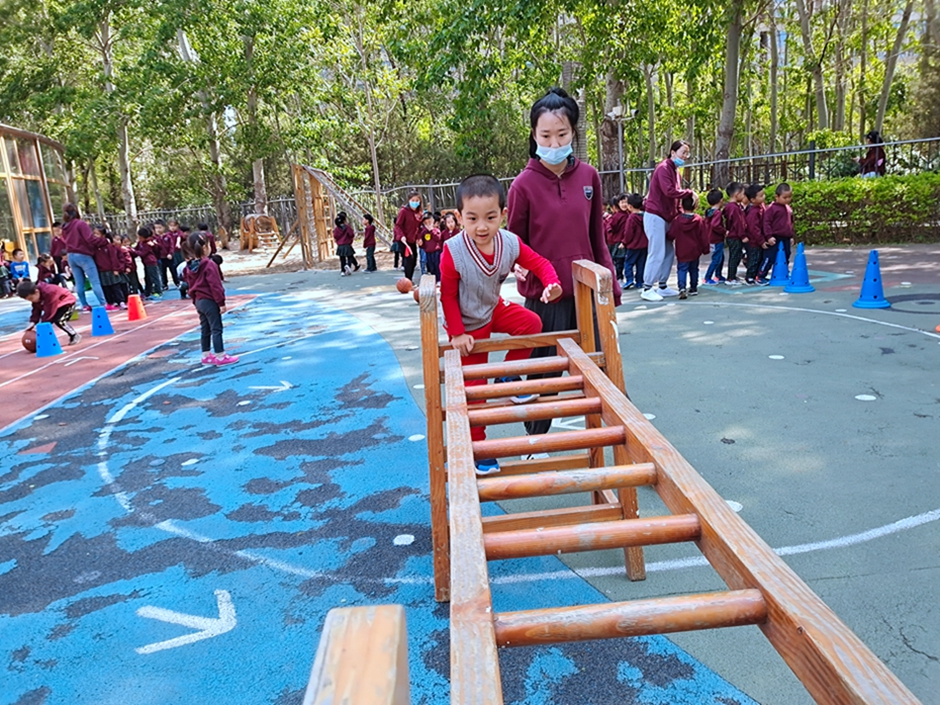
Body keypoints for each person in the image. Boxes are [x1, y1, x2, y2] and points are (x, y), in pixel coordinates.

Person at [506, 87, 620, 436]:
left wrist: (611, 286)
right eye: (545, 136)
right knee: (543, 379)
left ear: (573, 133)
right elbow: (515, 244)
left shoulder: (589, 177)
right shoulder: (522, 185)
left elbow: (597, 237)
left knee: (606, 373)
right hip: (546, 299)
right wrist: (519, 268)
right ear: (533, 135)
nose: (554, 143)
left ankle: (623, 443)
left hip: (588, 295)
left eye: (562, 134)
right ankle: (533, 442)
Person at [442, 175, 562, 474]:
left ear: (503, 215)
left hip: (492, 308)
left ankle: (507, 376)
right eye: (472, 218)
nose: (482, 226)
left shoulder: (509, 242)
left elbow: (540, 263)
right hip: (467, 322)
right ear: (459, 217)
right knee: (475, 391)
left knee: (531, 323)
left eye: (490, 217)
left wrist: (552, 283)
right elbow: (448, 295)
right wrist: (457, 333)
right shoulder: (453, 251)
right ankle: (480, 451)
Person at [639, 140, 695, 301]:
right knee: (656, 251)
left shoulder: (675, 170)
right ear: (673, 152)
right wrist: (690, 193)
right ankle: (647, 287)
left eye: (687, 153)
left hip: (667, 217)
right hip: (655, 215)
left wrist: (679, 213)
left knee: (669, 252)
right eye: (683, 152)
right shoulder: (663, 168)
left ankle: (662, 286)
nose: (685, 156)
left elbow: (674, 197)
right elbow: (669, 191)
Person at [181, 232, 238, 365]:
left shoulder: (189, 266)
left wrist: (195, 300)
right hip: (209, 301)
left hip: (199, 301)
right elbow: (215, 285)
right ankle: (220, 356)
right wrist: (221, 302)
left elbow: (189, 283)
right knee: (216, 328)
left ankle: (206, 355)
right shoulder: (209, 264)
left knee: (205, 329)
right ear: (205, 247)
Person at [61, 203, 109, 312]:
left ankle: (84, 304)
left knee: (79, 282)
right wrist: (104, 241)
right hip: (83, 255)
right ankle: (103, 303)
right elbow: (90, 239)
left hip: (71, 255)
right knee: (94, 281)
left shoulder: (65, 227)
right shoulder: (80, 224)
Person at [18, 279, 81, 346]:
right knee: (49, 321)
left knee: (59, 321)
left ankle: (74, 335)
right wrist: (33, 322)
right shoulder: (36, 296)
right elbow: (36, 309)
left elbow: (50, 312)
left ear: (36, 291)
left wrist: (41, 326)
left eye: (31, 298)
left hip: (67, 302)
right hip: (56, 305)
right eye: (28, 300)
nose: (31, 301)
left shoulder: (50, 292)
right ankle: (45, 341)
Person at [670, 194, 709, 299]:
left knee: (682, 269)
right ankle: (693, 288)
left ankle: (682, 288)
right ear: (695, 206)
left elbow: (672, 234)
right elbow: (703, 236)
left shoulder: (677, 220)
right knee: (694, 269)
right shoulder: (698, 220)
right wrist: (705, 248)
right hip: (695, 250)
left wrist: (668, 237)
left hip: (682, 250)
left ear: (682, 206)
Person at [92, 225, 123, 310]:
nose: (95, 236)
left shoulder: (109, 246)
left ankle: (121, 301)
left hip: (110, 269)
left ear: (103, 235)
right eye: (94, 234)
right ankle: (110, 302)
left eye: (97, 234)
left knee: (115, 286)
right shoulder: (94, 247)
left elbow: (113, 258)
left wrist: (116, 268)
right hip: (101, 270)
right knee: (106, 287)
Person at [743, 184, 768, 286]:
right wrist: (761, 241)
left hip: (758, 239)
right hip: (754, 241)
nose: (763, 197)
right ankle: (750, 276)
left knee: (759, 257)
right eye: (761, 196)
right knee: (754, 259)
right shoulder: (753, 212)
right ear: (753, 199)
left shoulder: (761, 206)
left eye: (763, 194)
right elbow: (754, 229)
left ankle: (757, 275)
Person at [622, 193, 648, 290]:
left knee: (628, 263)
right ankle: (639, 281)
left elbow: (628, 233)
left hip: (633, 246)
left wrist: (624, 242)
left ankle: (629, 279)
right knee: (641, 264)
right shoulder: (645, 216)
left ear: (630, 206)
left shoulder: (631, 218)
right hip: (644, 245)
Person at [394, 191, 423, 276]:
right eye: (413, 200)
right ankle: (408, 279)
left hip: (412, 240)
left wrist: (419, 237)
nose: (415, 202)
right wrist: (401, 236)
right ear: (409, 200)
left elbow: (419, 227)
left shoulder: (419, 212)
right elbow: (398, 225)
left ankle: (409, 279)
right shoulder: (404, 211)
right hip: (404, 240)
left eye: (417, 200)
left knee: (414, 260)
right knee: (408, 260)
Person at [764, 183, 794, 264]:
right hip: (775, 237)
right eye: (785, 197)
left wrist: (791, 236)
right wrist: (769, 236)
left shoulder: (788, 208)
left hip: (786, 237)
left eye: (789, 197)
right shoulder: (772, 208)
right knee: (770, 257)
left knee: (786, 255)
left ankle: (783, 270)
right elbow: (766, 223)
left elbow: (790, 223)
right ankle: (761, 271)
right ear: (777, 196)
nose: (787, 199)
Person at [723, 182, 746, 286]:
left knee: (736, 256)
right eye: (743, 194)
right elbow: (738, 223)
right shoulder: (734, 208)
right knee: (734, 257)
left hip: (732, 236)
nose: (744, 196)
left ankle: (732, 276)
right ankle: (731, 278)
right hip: (735, 236)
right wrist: (743, 235)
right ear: (737, 194)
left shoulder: (729, 206)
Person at [703, 189, 727, 285]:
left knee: (720, 257)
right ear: (721, 200)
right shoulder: (717, 213)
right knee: (716, 259)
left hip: (711, 238)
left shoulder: (709, 212)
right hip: (716, 239)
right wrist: (724, 231)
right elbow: (715, 225)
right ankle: (707, 277)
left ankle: (718, 275)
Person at [133, 227, 163, 300]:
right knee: (147, 278)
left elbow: (142, 253)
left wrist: (132, 251)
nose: (139, 239)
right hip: (145, 263)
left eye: (140, 237)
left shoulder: (148, 243)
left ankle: (158, 291)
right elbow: (136, 249)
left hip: (151, 262)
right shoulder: (140, 243)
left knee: (154, 277)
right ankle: (147, 292)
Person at [605, 194, 628, 284]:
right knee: (619, 260)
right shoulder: (619, 216)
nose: (624, 204)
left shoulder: (624, 214)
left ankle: (618, 277)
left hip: (618, 240)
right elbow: (611, 226)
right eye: (622, 202)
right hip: (618, 241)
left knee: (619, 260)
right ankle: (619, 278)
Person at [333, 211, 359, 275]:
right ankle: (348, 265)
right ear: (344, 220)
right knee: (350, 256)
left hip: (340, 245)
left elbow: (335, 236)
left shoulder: (336, 229)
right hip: (347, 244)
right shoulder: (347, 227)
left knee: (342, 258)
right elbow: (351, 234)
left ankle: (343, 271)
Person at [420, 211, 443, 281]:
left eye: (429, 222)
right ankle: (434, 280)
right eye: (426, 223)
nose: (428, 225)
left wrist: (432, 231)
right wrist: (421, 244)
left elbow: (438, 238)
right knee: (431, 267)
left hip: (436, 252)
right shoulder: (424, 232)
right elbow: (422, 242)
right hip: (428, 252)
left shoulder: (436, 230)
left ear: (433, 222)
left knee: (437, 266)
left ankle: (439, 280)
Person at [160, 219, 182, 289]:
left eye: (174, 226)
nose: (172, 227)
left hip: (172, 254)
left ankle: (177, 282)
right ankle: (164, 284)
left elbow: (176, 240)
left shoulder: (178, 233)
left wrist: (170, 253)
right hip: (162, 256)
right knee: (163, 271)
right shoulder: (166, 235)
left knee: (173, 269)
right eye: (171, 226)